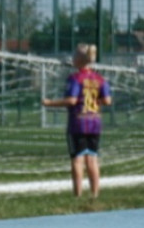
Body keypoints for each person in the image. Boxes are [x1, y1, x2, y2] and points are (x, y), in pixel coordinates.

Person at [42, 43, 113, 199]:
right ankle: (94, 194)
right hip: (95, 123)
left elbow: (72, 100)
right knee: (93, 159)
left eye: (74, 55)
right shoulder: (100, 79)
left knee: (77, 160)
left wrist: (49, 103)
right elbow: (107, 101)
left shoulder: (75, 78)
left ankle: (77, 194)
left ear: (79, 60)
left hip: (78, 123)